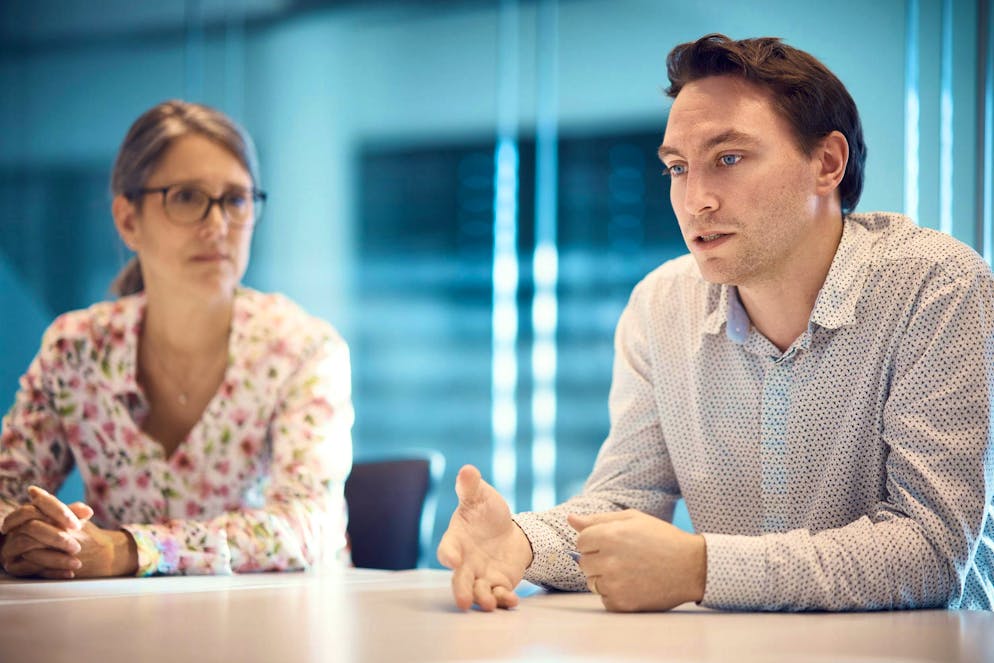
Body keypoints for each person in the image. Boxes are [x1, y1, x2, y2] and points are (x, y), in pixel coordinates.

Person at [437, 34, 994, 612]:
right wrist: (522, 542)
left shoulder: (936, 285)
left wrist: (703, 569)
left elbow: (933, 548)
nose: (695, 200)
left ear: (827, 163)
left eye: (729, 159)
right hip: (735, 645)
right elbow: (626, 500)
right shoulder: (661, 304)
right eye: (677, 168)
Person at [0, 100, 353, 579]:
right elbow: (7, 492)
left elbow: (309, 525)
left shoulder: (303, 349)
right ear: (128, 220)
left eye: (236, 200)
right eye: (186, 197)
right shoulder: (76, 349)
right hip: (116, 620)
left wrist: (130, 550)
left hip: (282, 618)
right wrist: (27, 536)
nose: (217, 225)